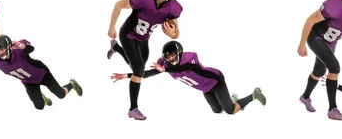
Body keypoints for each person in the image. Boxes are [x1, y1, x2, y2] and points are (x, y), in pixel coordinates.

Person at [111, 41, 266, 116]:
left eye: (173, 54)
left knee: (230, 111)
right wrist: (126, 75)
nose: (170, 58)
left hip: (215, 81)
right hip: (205, 89)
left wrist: (166, 69)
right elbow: (146, 74)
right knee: (217, 110)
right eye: (168, 56)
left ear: (179, 52)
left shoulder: (189, 58)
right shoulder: (164, 64)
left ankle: (254, 94)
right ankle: (233, 100)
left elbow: (186, 68)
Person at [106, 0, 182, 120]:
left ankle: (116, 48)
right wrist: (112, 27)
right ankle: (133, 109)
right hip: (128, 34)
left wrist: (174, 35)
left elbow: (176, 31)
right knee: (139, 70)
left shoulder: (173, 7)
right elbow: (118, 5)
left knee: (138, 71)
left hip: (144, 39)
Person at [0, 35, 83, 110]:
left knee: (61, 95)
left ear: (9, 47)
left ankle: (71, 84)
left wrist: (23, 47)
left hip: (42, 74)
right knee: (39, 107)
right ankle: (42, 98)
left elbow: (31, 48)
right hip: (28, 81)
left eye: (2, 49)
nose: (0, 53)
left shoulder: (18, 50)